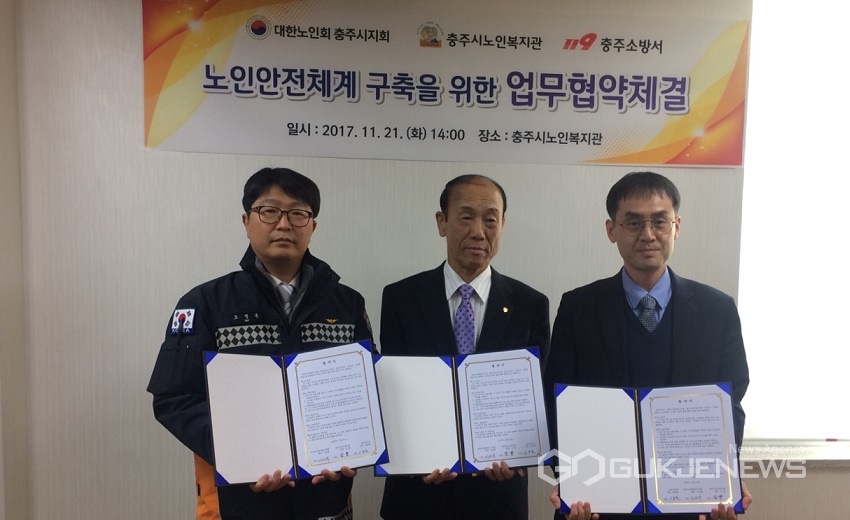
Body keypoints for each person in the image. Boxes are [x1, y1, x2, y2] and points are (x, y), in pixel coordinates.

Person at [147, 167, 372, 520]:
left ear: (312, 226)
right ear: (246, 221)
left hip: (327, 500)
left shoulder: (347, 304)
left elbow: (367, 391)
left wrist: (354, 449)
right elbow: (175, 398)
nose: (284, 224)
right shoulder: (205, 303)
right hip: (239, 501)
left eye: (298, 213)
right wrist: (239, 454)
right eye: (269, 211)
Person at [543, 171, 751, 520]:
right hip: (598, 503)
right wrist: (569, 479)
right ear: (612, 230)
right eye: (634, 223)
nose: (648, 234)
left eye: (660, 221)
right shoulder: (578, 308)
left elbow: (731, 402)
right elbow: (558, 403)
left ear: (677, 226)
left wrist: (726, 476)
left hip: (688, 504)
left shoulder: (718, 310)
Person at [378, 174, 550, 520]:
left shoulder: (530, 304)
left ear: (502, 225)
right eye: (466, 217)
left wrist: (521, 453)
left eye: (491, 220)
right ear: (442, 223)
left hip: (498, 498)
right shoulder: (401, 298)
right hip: (417, 495)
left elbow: (538, 396)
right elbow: (392, 395)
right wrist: (415, 460)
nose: (479, 232)